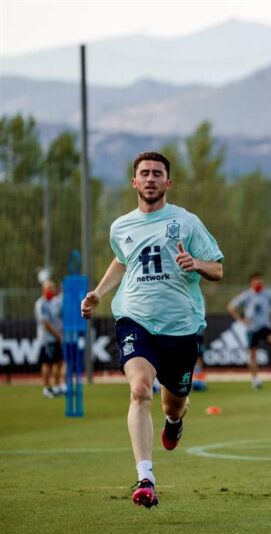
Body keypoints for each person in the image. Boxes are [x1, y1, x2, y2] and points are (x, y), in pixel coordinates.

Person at [80, 151, 223, 509]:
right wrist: (99, 292)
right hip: (135, 320)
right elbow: (122, 259)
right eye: (144, 173)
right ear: (134, 182)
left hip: (181, 328)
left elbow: (218, 269)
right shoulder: (121, 227)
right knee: (140, 391)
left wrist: (198, 263)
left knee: (173, 404)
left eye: (157, 173)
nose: (150, 178)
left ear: (168, 183)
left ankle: (174, 422)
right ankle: (146, 478)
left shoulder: (186, 222)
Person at [227, 272, 271, 389]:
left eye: (261, 280)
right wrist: (241, 320)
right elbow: (231, 307)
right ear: (251, 282)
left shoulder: (268, 294)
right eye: (256, 281)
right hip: (252, 329)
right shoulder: (247, 295)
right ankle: (255, 379)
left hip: (265, 327)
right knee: (252, 355)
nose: (259, 283)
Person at [35, 279, 64, 398]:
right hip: (47, 339)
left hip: (57, 337)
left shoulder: (55, 301)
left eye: (52, 288)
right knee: (47, 363)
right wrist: (57, 335)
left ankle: (56, 386)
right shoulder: (41, 303)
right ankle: (47, 388)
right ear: (44, 290)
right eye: (49, 288)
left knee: (58, 362)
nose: (51, 290)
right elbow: (45, 323)